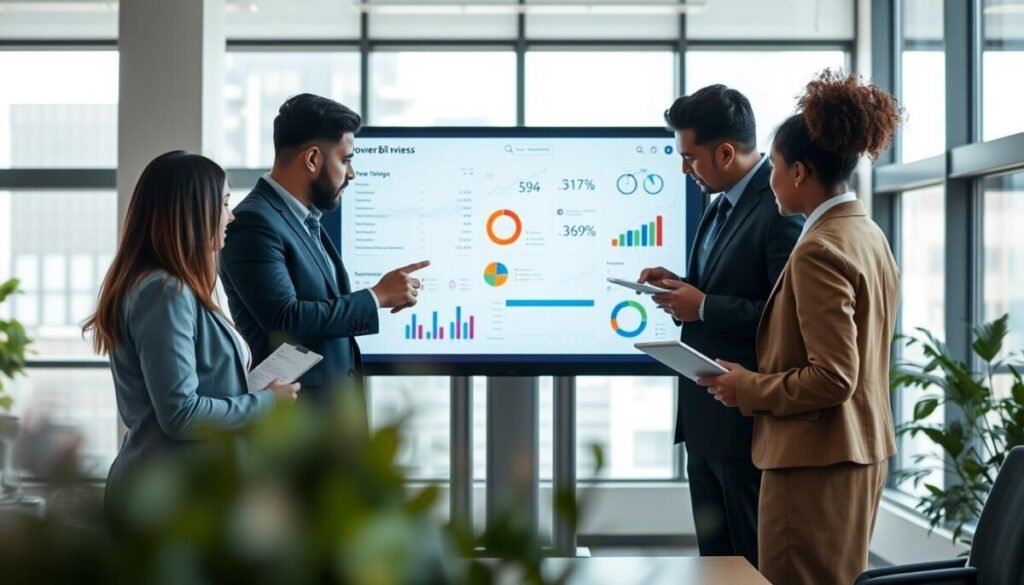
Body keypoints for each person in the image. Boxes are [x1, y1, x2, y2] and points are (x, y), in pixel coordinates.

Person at [700, 69, 902, 585]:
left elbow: (833, 377)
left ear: (799, 172)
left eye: (776, 166)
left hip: (812, 463)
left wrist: (746, 386)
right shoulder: (866, 233)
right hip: (856, 451)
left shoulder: (817, 249)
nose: (768, 178)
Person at [636, 85, 804, 566]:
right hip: (706, 422)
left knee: (748, 561)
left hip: (743, 423)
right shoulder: (718, 202)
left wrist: (705, 306)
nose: (684, 168)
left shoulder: (779, 210)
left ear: (725, 152)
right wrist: (680, 287)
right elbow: (723, 285)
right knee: (716, 563)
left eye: (690, 157)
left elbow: (784, 318)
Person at [83, 151, 299, 511]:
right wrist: (265, 403)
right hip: (163, 500)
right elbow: (181, 414)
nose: (230, 217)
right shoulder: (163, 292)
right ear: (192, 213)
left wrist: (249, 389)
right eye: (225, 203)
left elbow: (196, 388)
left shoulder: (169, 288)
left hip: (175, 493)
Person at [220, 94, 428, 406]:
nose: (352, 173)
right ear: (313, 159)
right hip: (295, 425)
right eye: (345, 160)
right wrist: (377, 297)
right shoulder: (253, 222)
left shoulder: (306, 219)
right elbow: (286, 320)